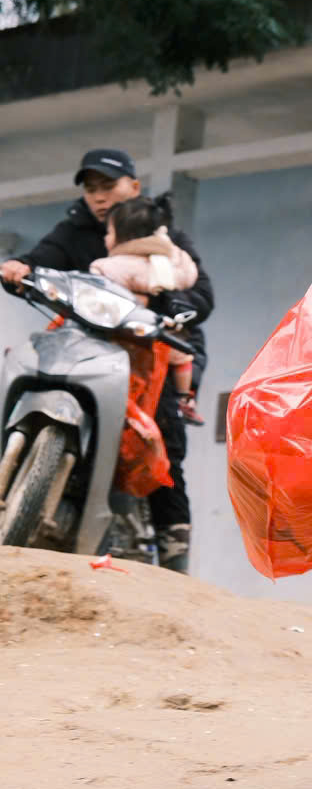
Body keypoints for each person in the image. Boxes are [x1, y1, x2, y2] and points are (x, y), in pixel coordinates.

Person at [1, 148, 214, 572]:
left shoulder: (163, 235)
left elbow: (201, 293)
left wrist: (174, 305)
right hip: (85, 341)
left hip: (153, 350)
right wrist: (18, 269)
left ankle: (174, 552)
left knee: (164, 437)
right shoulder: (74, 229)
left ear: (133, 186)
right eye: (91, 188)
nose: (98, 196)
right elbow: (40, 261)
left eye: (108, 186)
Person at [90, 194, 206, 426]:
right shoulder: (172, 261)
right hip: (167, 339)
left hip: (123, 341)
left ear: (123, 236)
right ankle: (185, 399)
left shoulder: (110, 266)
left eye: (109, 232)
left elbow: (100, 291)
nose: (105, 238)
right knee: (183, 357)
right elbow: (189, 275)